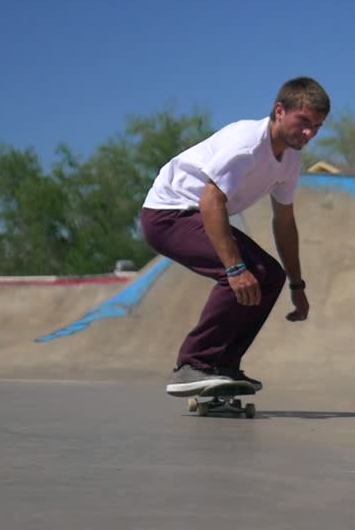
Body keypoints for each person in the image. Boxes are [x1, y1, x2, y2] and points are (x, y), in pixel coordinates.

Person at [140, 77, 330, 396]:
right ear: (279, 111)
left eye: (318, 126)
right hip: (169, 214)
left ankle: (221, 365)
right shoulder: (247, 144)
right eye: (304, 122)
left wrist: (297, 284)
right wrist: (234, 268)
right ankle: (194, 364)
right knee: (246, 273)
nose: (309, 133)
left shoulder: (291, 159)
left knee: (270, 276)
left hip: (196, 213)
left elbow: (284, 221)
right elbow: (211, 200)